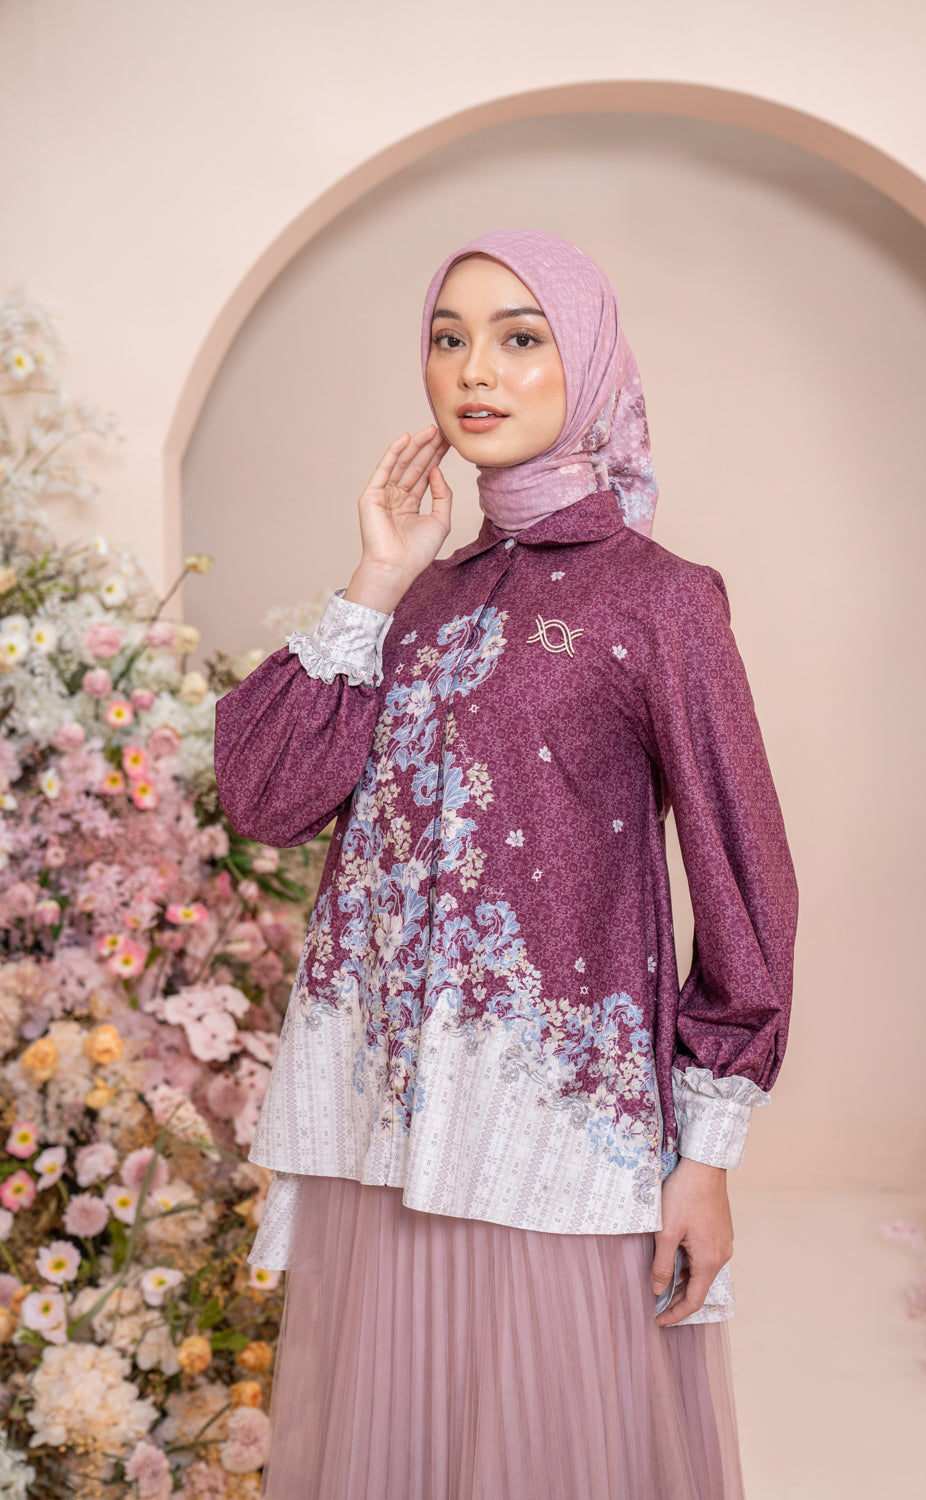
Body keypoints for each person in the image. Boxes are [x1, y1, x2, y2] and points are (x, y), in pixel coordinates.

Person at [214, 227, 798, 1500]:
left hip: (555, 1140)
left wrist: (706, 1155)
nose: (474, 369)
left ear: (586, 362)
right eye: (448, 338)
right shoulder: (417, 601)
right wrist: (375, 577)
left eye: (520, 337)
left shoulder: (660, 600)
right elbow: (264, 796)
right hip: (383, 1143)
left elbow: (744, 869)